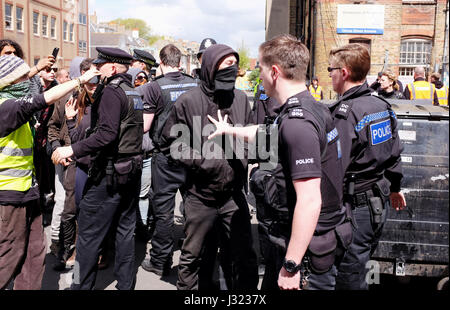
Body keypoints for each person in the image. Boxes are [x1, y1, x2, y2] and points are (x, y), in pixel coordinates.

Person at [208, 35, 352, 290]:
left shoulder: (298, 123)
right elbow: (270, 134)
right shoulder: (309, 108)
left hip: (305, 257)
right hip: (299, 242)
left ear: (274, 72)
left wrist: (292, 265)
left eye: (261, 69)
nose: (259, 76)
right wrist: (230, 130)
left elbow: (309, 200)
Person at [159, 44, 259, 290]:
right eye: (226, 65)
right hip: (199, 196)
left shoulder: (240, 99)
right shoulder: (188, 101)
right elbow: (171, 143)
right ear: (210, 67)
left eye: (234, 65)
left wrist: (242, 156)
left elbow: (251, 135)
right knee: (193, 257)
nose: (232, 69)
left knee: (242, 256)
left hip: (233, 196)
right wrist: (205, 162)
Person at [0, 54, 99, 290]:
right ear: (12, 81)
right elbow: (41, 99)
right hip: (10, 194)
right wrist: (79, 80)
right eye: (23, 77)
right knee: (9, 254)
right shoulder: (7, 107)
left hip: (28, 190)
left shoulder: (10, 98)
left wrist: (34, 69)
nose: (28, 80)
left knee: (35, 252)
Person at [52, 47, 144, 290]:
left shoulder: (113, 92)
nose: (96, 69)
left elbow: (106, 133)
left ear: (112, 68)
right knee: (125, 234)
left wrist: (72, 149)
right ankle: (126, 285)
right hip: (130, 170)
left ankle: (80, 286)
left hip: (109, 174)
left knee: (88, 239)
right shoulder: (133, 91)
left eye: (100, 64)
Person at [327, 43, 406, 290]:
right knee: (359, 268)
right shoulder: (382, 106)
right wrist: (395, 187)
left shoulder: (347, 113)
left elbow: (334, 166)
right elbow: (394, 154)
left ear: (345, 72)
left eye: (332, 69)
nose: (329, 74)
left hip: (353, 208)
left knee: (347, 278)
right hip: (377, 203)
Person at [139, 44, 198, 276]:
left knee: (163, 211)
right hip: (193, 153)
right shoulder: (195, 83)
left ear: (161, 63)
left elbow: (144, 126)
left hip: (166, 156)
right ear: (180, 62)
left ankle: (160, 261)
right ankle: (194, 255)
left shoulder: (155, 87)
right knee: (193, 206)